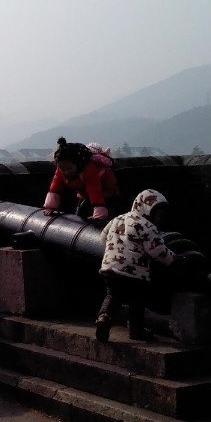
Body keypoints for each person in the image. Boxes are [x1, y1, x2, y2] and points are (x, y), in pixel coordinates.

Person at [94, 189, 176, 342]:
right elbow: (157, 251)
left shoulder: (118, 219)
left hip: (110, 268)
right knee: (137, 299)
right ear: (147, 209)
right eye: (158, 214)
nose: (159, 218)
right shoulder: (147, 226)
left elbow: (103, 238)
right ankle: (135, 329)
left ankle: (103, 317)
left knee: (113, 295)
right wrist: (174, 259)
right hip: (135, 272)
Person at [42, 137, 120, 222]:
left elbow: (95, 191)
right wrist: (51, 206)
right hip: (86, 194)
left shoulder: (89, 171)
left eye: (69, 169)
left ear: (79, 165)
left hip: (106, 194)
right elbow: (55, 186)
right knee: (80, 213)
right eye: (62, 168)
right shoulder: (61, 170)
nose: (65, 172)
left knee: (107, 214)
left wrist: (99, 215)